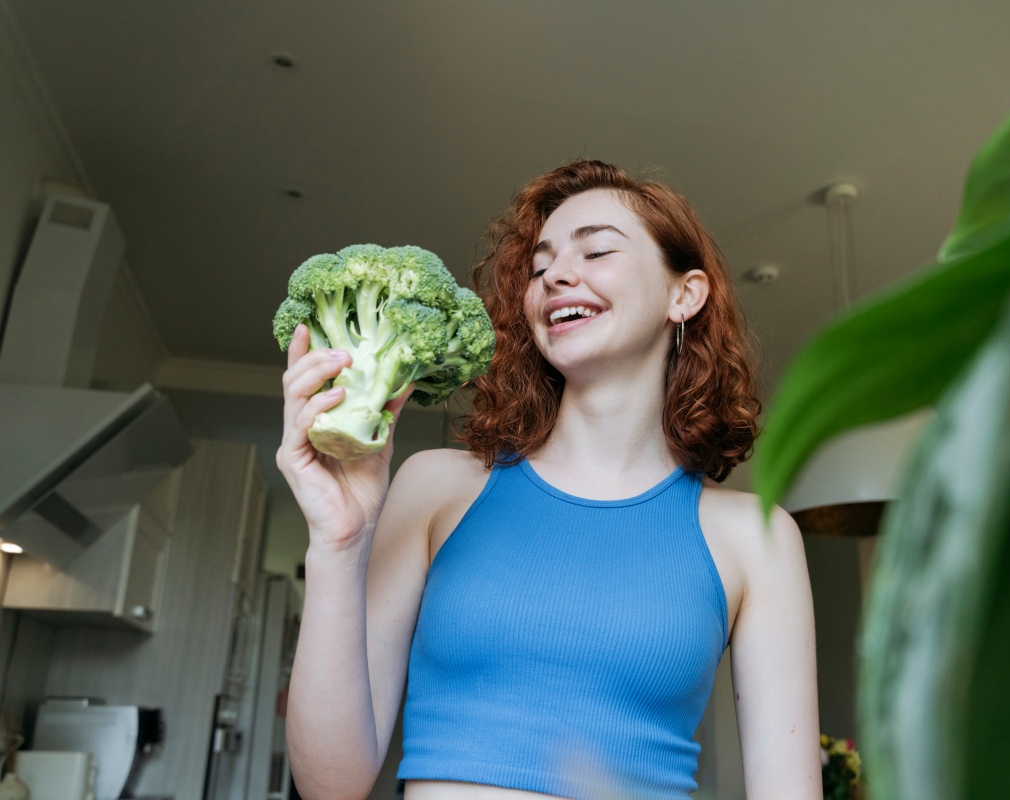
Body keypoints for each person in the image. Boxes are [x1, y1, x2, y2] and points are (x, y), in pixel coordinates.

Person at [279, 160, 821, 800]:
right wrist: (338, 544)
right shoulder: (437, 489)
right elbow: (329, 786)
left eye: (596, 250)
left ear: (686, 294)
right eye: (540, 268)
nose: (557, 276)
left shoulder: (755, 539)